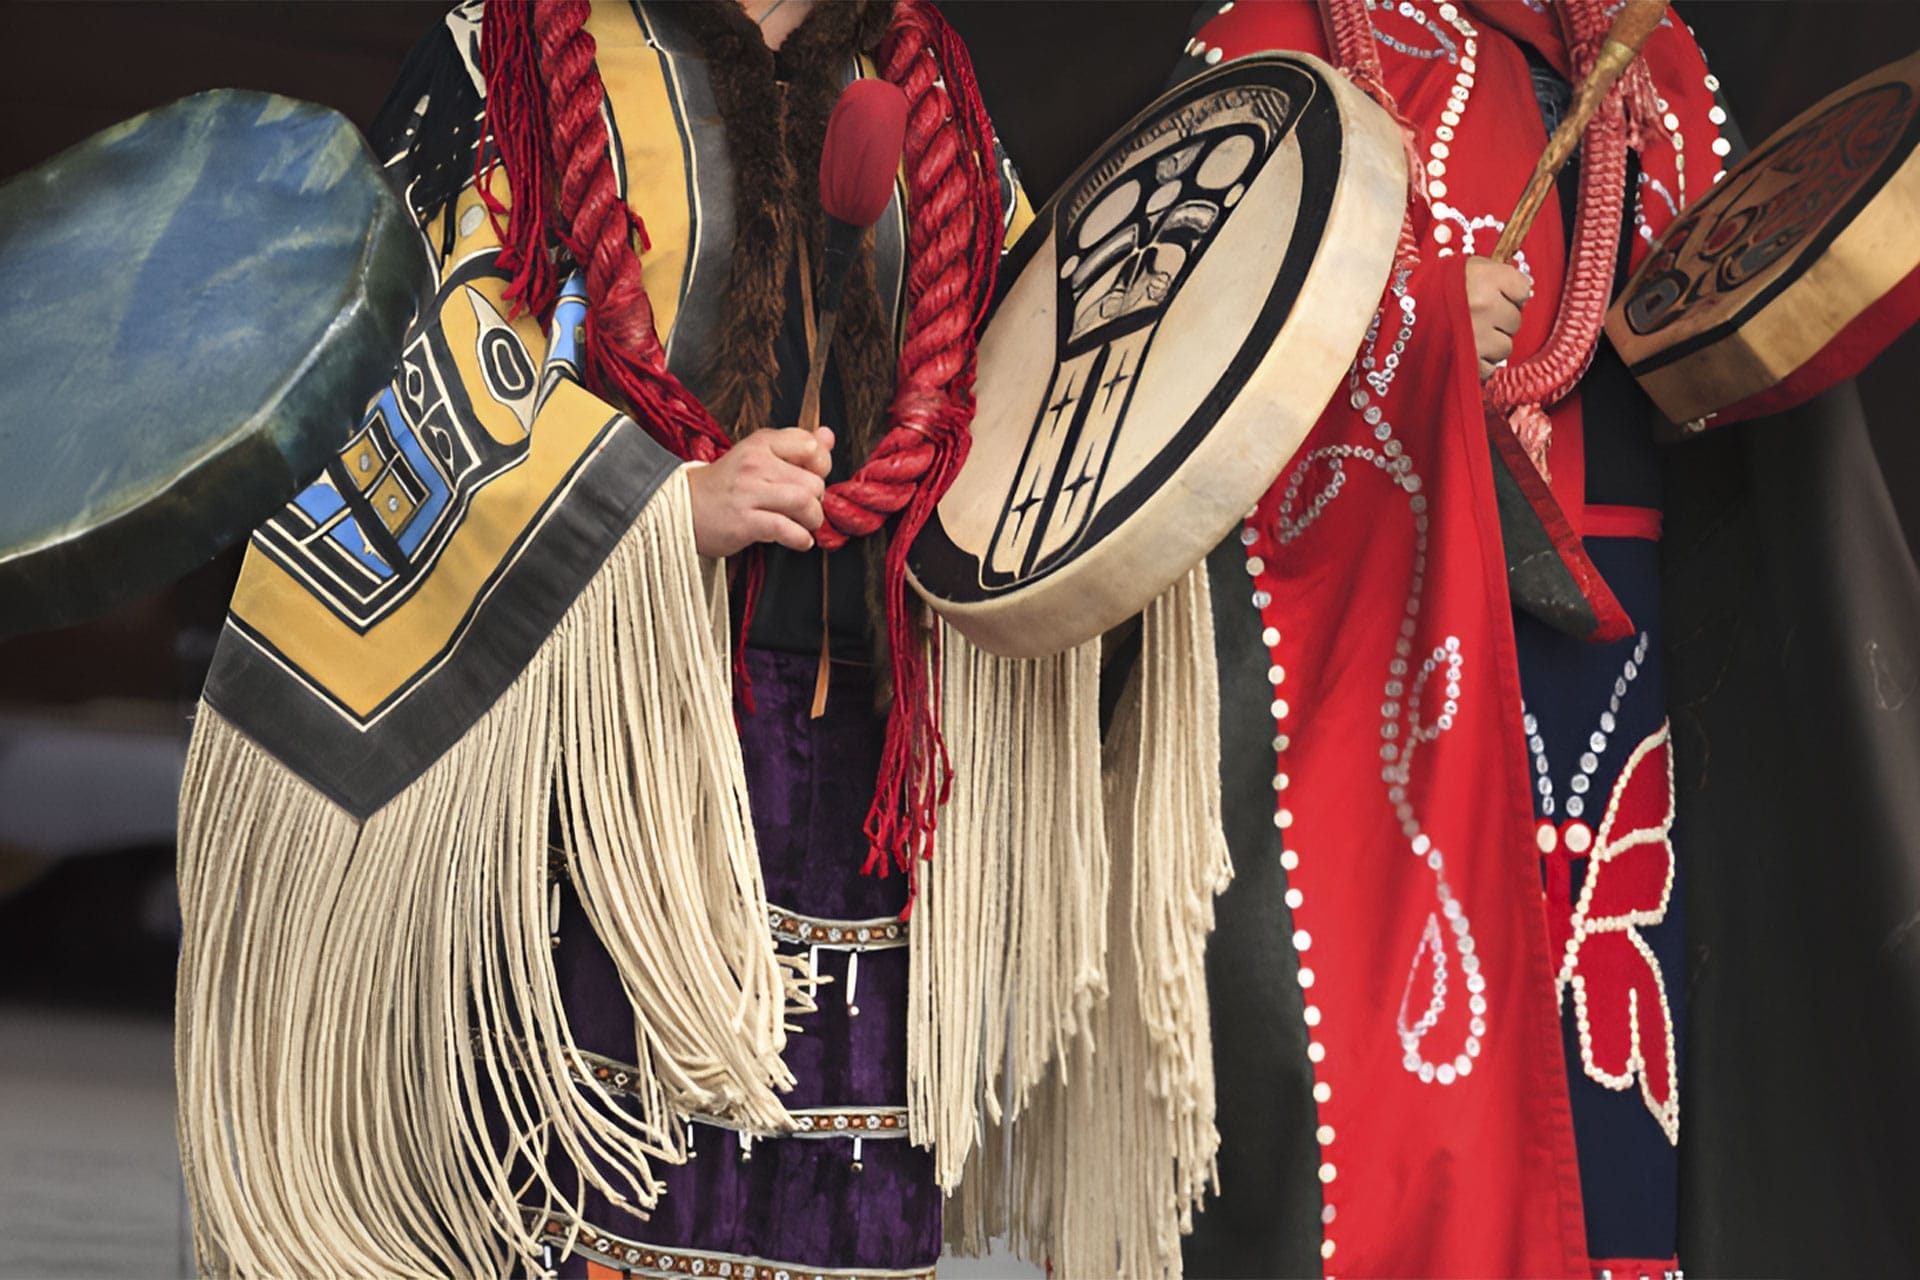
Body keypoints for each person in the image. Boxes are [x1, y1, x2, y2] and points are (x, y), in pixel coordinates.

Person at [173, 1, 1030, 1276]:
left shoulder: (930, 84)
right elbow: (406, 350)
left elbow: (1030, 367)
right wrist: (661, 502)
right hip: (597, 721)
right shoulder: (517, 50)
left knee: (833, 1204)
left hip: (862, 747)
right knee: (582, 1197)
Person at [1164, 2, 1734, 1276]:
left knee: (1605, 1038)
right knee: (1398, 1072)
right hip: (1372, 619)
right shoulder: (1272, 37)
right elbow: (1169, 339)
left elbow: (1727, 319)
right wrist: (1404, 313)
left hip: (1612, 616)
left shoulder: (1652, 51)